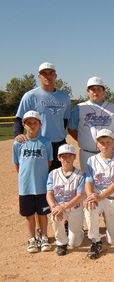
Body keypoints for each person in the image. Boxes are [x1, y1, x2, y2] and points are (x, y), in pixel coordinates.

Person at [15, 62, 71, 171]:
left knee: (58, 177)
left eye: (51, 73)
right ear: (39, 76)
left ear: (55, 76)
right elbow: (19, 118)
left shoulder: (64, 97)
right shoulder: (30, 96)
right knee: (39, 176)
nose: (48, 76)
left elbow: (64, 119)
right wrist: (18, 134)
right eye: (44, 73)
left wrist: (58, 133)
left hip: (58, 143)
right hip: (39, 142)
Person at [13, 111, 53, 253]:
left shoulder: (46, 142)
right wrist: (25, 176)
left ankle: (44, 236)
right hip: (25, 186)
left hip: (41, 184)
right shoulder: (18, 144)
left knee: (42, 213)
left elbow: (49, 162)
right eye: (28, 123)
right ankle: (31, 238)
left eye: (35, 123)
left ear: (40, 125)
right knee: (29, 214)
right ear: (23, 125)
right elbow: (17, 164)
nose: (32, 126)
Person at [67, 76, 114, 173]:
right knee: (88, 182)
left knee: (108, 181)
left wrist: (110, 141)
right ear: (87, 91)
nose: (95, 92)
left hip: (109, 153)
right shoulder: (80, 108)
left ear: (104, 91)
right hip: (87, 153)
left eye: (98, 89)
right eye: (92, 89)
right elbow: (71, 129)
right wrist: (83, 140)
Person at [83, 129, 114, 259]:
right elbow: (89, 181)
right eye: (101, 142)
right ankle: (95, 240)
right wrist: (91, 196)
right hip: (97, 197)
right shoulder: (91, 160)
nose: (104, 145)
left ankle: (113, 226)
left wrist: (100, 196)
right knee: (89, 206)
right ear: (97, 144)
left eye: (108, 142)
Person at [46, 144, 85, 256]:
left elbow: (80, 196)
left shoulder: (80, 175)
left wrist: (63, 207)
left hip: (74, 208)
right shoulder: (53, 174)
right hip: (59, 207)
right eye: (63, 156)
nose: (66, 159)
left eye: (69, 156)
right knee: (55, 215)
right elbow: (49, 193)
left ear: (74, 157)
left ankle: (79, 231)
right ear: (59, 158)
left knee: (75, 243)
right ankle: (61, 242)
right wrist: (54, 207)